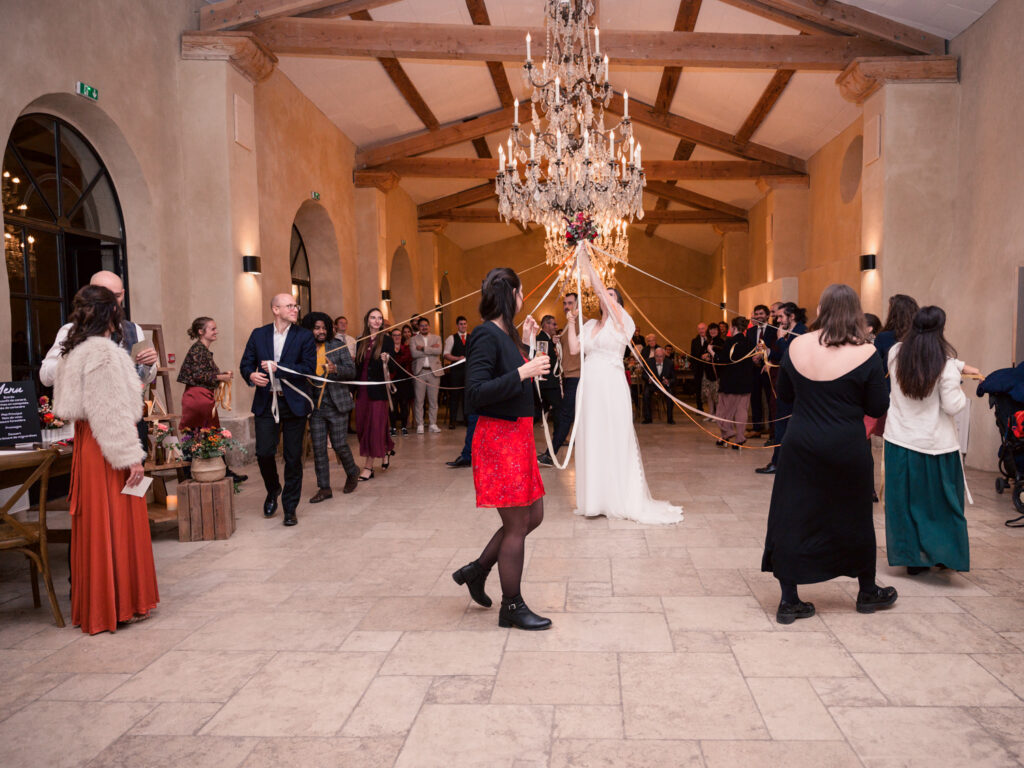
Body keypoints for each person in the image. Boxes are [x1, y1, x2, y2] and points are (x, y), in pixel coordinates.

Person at [762, 284, 896, 624]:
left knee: (794, 514)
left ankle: (789, 600)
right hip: (846, 445)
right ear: (855, 311)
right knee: (854, 515)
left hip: (801, 443)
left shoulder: (796, 345)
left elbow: (786, 396)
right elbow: (878, 405)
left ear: (821, 308)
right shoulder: (866, 353)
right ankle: (867, 592)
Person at [52, 285, 158, 633]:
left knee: (97, 527)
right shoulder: (102, 352)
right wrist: (132, 459)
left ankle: (102, 604)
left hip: (88, 445)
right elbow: (109, 412)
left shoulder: (75, 349)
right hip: (107, 450)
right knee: (116, 522)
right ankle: (117, 605)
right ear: (108, 314)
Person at [452, 267, 552, 630]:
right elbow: (476, 393)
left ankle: (477, 571)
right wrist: (524, 373)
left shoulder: (506, 335)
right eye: (521, 292)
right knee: (516, 525)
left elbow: (508, 370)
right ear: (509, 293)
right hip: (499, 439)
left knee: (533, 516)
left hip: (519, 437)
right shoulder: (483, 334)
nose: (524, 298)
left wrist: (524, 345)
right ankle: (511, 606)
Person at [567, 252, 683, 524]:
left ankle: (618, 497)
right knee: (592, 436)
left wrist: (587, 263)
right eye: (602, 294)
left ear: (617, 301)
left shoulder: (624, 322)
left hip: (611, 384)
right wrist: (571, 324)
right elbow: (574, 349)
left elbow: (601, 290)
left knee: (613, 436)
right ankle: (594, 501)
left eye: (611, 295)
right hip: (590, 385)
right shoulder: (591, 324)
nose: (604, 297)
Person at [884, 306, 979, 575]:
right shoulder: (945, 366)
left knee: (904, 503)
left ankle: (913, 558)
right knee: (941, 505)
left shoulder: (895, 354)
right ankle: (942, 555)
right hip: (936, 445)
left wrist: (959, 365)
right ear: (941, 329)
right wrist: (959, 379)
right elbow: (953, 406)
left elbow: (922, 357)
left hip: (899, 440)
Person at [40, 270, 158, 448]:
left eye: (116, 297)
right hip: (93, 424)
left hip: (130, 422)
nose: (112, 305)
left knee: (132, 474)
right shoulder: (71, 331)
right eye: (104, 299)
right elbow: (45, 376)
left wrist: (149, 365)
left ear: (123, 295)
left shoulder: (134, 330)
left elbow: (143, 377)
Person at [240, 293, 316, 527]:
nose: (295, 309)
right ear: (275, 309)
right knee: (264, 452)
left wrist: (278, 368)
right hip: (266, 401)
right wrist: (251, 375)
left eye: (296, 305)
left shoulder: (304, 336)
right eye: (290, 306)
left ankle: (290, 507)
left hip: (293, 403)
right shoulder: (258, 334)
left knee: (293, 458)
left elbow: (307, 368)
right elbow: (246, 363)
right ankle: (273, 489)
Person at [301, 312, 359, 502]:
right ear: (309, 329)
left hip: (337, 404)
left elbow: (351, 371)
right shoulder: (304, 348)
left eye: (324, 327)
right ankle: (324, 488)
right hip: (315, 406)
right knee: (319, 448)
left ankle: (352, 473)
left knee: (339, 444)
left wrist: (336, 370)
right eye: (317, 328)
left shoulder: (337, 346)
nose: (321, 331)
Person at [756, 302, 807, 474]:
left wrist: (779, 339)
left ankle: (779, 463)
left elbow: (791, 357)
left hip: (793, 389)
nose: (777, 320)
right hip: (786, 388)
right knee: (782, 426)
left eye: (780, 316)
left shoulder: (800, 331)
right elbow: (781, 355)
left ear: (791, 316)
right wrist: (769, 351)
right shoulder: (789, 331)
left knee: (784, 427)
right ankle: (779, 462)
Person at [538, 293, 581, 467]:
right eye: (564, 303)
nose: (566, 306)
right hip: (568, 376)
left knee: (564, 415)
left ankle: (550, 454)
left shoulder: (583, 324)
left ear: (578, 305)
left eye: (570, 303)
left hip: (577, 376)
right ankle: (551, 453)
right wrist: (558, 341)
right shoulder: (566, 327)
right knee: (567, 415)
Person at [354, 307, 396, 480]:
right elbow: (357, 367)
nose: (377, 321)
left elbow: (393, 367)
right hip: (362, 389)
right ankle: (386, 449)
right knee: (363, 426)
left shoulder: (386, 340)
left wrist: (387, 360)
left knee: (374, 427)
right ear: (367, 320)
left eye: (380, 318)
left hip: (378, 391)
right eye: (373, 317)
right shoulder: (360, 340)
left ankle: (368, 467)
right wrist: (352, 390)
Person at [178, 316, 234, 431]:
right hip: (198, 398)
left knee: (204, 438)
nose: (216, 332)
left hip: (202, 397)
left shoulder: (202, 349)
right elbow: (197, 375)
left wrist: (223, 375)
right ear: (201, 331)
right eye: (213, 329)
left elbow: (202, 372)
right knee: (201, 437)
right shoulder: (198, 349)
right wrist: (221, 376)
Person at [715, 317, 754, 449]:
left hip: (730, 382)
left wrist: (712, 353)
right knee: (741, 410)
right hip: (746, 381)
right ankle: (739, 438)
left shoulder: (730, 341)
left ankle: (727, 433)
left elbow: (723, 361)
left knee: (723, 410)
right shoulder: (750, 342)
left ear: (734, 328)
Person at [746, 304, 777, 439]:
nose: (758, 316)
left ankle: (772, 429)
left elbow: (775, 348)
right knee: (755, 399)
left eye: (761, 314)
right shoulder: (751, 331)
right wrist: (752, 357)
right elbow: (748, 348)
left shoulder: (774, 330)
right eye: (756, 314)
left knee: (771, 399)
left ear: (767, 315)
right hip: (754, 370)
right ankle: (756, 428)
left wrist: (764, 356)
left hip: (769, 369)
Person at [410, 317, 443, 433]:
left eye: (426, 325)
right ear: (419, 327)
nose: (424, 327)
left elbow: (438, 351)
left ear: (429, 326)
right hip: (420, 372)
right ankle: (420, 424)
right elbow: (414, 354)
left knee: (433, 400)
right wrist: (430, 349)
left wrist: (423, 348)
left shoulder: (436, 337)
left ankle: (433, 424)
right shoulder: (413, 339)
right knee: (419, 400)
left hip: (434, 372)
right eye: (422, 326)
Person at [874, 294, 919, 377]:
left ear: (893, 314)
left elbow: (876, 370)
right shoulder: (921, 336)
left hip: (889, 387)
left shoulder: (883, 337)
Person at [534, 314, 562, 430]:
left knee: (539, 410)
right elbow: (541, 360)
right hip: (548, 383)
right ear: (546, 324)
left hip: (548, 382)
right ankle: (559, 437)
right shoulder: (541, 339)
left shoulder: (547, 339)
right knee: (559, 409)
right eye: (553, 324)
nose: (556, 327)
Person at [443, 316, 471, 428]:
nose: (463, 326)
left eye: (464, 323)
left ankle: (467, 420)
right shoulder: (451, 338)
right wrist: (457, 358)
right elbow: (446, 354)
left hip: (468, 371)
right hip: (455, 371)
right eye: (461, 324)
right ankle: (452, 421)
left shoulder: (471, 337)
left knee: (467, 396)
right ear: (457, 325)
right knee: (454, 396)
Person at [389, 326, 413, 435]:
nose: (397, 337)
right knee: (392, 405)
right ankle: (393, 427)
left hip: (404, 380)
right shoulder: (388, 349)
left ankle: (404, 426)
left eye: (399, 335)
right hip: (392, 380)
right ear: (391, 337)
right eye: (394, 335)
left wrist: (393, 358)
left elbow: (405, 359)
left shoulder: (406, 349)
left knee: (404, 404)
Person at [642, 347, 676, 424]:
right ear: (654, 356)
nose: (659, 358)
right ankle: (648, 418)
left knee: (671, 394)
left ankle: (670, 419)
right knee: (646, 394)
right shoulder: (648, 362)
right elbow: (643, 375)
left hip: (664, 386)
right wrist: (648, 379)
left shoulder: (669, 363)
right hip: (652, 385)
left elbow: (674, 378)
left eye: (661, 356)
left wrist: (668, 381)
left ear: (664, 356)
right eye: (657, 356)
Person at [700, 322, 722, 419]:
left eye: (715, 329)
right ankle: (711, 413)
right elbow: (702, 353)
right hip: (707, 371)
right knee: (708, 393)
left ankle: (717, 415)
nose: (712, 331)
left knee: (716, 394)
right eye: (711, 329)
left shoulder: (721, 341)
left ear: (718, 331)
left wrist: (709, 356)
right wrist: (704, 356)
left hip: (716, 371)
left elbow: (720, 355)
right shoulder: (707, 341)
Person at [690, 322, 710, 412]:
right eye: (699, 329)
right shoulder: (694, 341)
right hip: (698, 368)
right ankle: (699, 407)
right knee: (698, 388)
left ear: (707, 329)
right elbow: (693, 355)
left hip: (709, 368)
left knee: (710, 388)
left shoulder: (711, 340)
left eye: (703, 328)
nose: (701, 331)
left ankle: (712, 410)